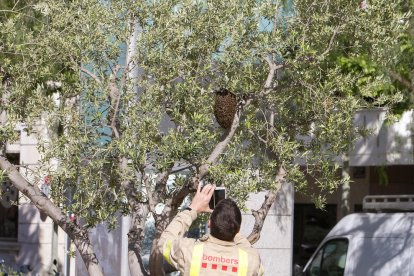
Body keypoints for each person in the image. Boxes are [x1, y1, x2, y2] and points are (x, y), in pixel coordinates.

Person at [159, 183, 265, 276]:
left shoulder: (189, 251)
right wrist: (232, 226)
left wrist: (192, 209)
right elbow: (251, 255)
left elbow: (164, 242)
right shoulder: (251, 261)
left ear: (209, 223)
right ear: (238, 230)